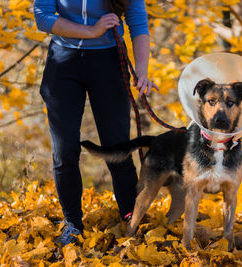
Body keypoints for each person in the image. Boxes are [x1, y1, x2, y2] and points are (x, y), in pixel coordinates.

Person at [34, 0, 157, 246]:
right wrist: (91, 30)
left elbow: (138, 23)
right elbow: (43, 17)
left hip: (109, 62)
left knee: (117, 147)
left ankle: (131, 218)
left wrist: (142, 71)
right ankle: (73, 224)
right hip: (63, 63)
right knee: (65, 150)